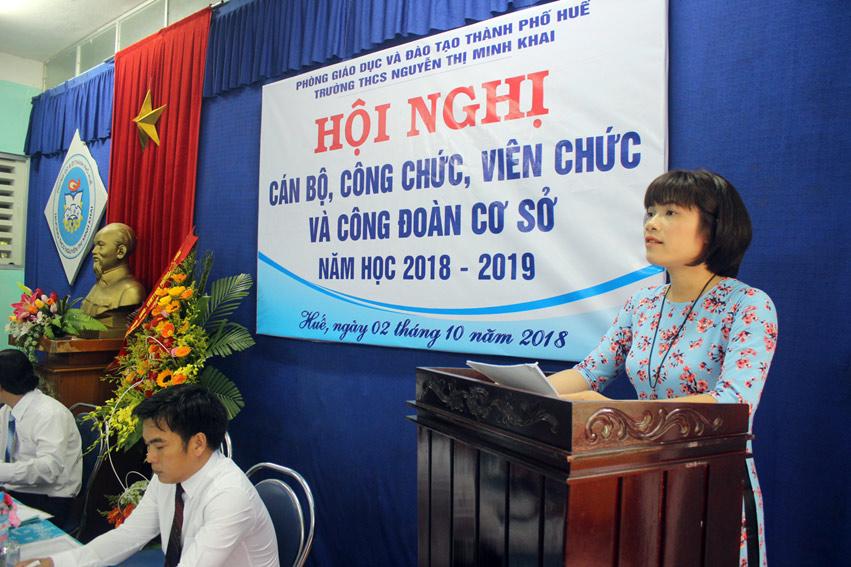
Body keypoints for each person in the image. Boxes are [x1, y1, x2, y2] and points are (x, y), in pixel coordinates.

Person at [549, 169, 776, 566]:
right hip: (643, 477)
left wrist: (614, 412)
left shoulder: (749, 305)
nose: (652, 223)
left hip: (711, 482)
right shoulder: (642, 304)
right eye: (651, 211)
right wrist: (527, 387)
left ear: (714, 229)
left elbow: (735, 403)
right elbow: (590, 371)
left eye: (671, 212)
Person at [37, 384, 279, 567]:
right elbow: (131, 535)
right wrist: (57, 563)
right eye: (148, 446)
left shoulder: (229, 496)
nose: (150, 457)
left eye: (159, 446)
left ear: (198, 443)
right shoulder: (172, 474)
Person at [0, 349, 82, 526]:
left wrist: (3, 472)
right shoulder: (7, 410)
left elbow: (48, 469)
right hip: (18, 489)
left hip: (49, 499)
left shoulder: (49, 414)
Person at [81, 222, 145, 318]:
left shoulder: (131, 291)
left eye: (101, 245)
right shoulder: (97, 286)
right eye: (95, 245)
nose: (94, 251)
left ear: (120, 251)